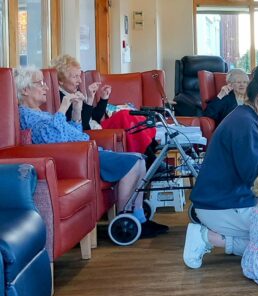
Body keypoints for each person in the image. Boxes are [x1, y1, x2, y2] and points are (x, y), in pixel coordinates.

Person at [13, 66, 167, 237]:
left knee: (140, 159)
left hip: (84, 150)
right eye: (40, 83)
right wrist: (63, 109)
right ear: (25, 89)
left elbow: (73, 132)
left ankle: (138, 217)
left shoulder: (42, 113)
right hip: (77, 158)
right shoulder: (26, 115)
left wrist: (77, 111)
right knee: (133, 163)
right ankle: (125, 218)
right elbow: (50, 138)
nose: (46, 87)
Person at [184, 72, 258, 269]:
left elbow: (252, 154)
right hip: (221, 204)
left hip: (224, 200)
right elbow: (255, 175)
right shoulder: (244, 123)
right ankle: (206, 237)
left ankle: (215, 237)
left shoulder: (247, 116)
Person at [50, 54, 111, 130]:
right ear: (60, 80)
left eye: (79, 76)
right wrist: (89, 101)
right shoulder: (60, 100)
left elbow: (95, 117)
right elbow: (83, 127)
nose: (80, 80)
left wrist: (103, 98)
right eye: (75, 77)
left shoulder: (74, 92)